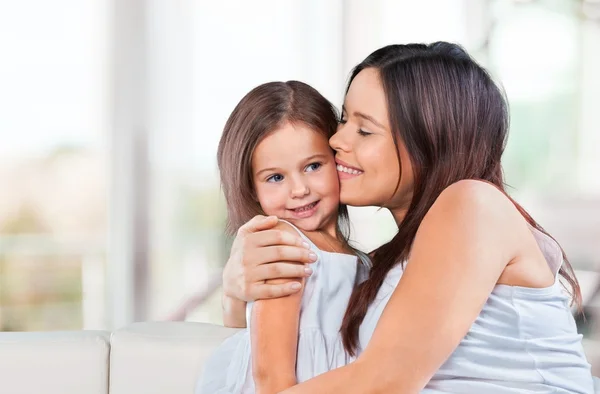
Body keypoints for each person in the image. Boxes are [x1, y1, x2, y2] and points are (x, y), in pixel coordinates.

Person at [219, 43, 595, 393]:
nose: (336, 141)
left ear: (429, 142)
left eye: (364, 130)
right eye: (344, 119)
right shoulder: (391, 264)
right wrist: (237, 293)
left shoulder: (473, 205)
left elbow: (383, 382)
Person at [196, 81, 370, 394]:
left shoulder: (363, 262)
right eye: (276, 177)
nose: (299, 189)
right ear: (252, 188)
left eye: (313, 166)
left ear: (339, 161)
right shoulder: (282, 246)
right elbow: (271, 378)